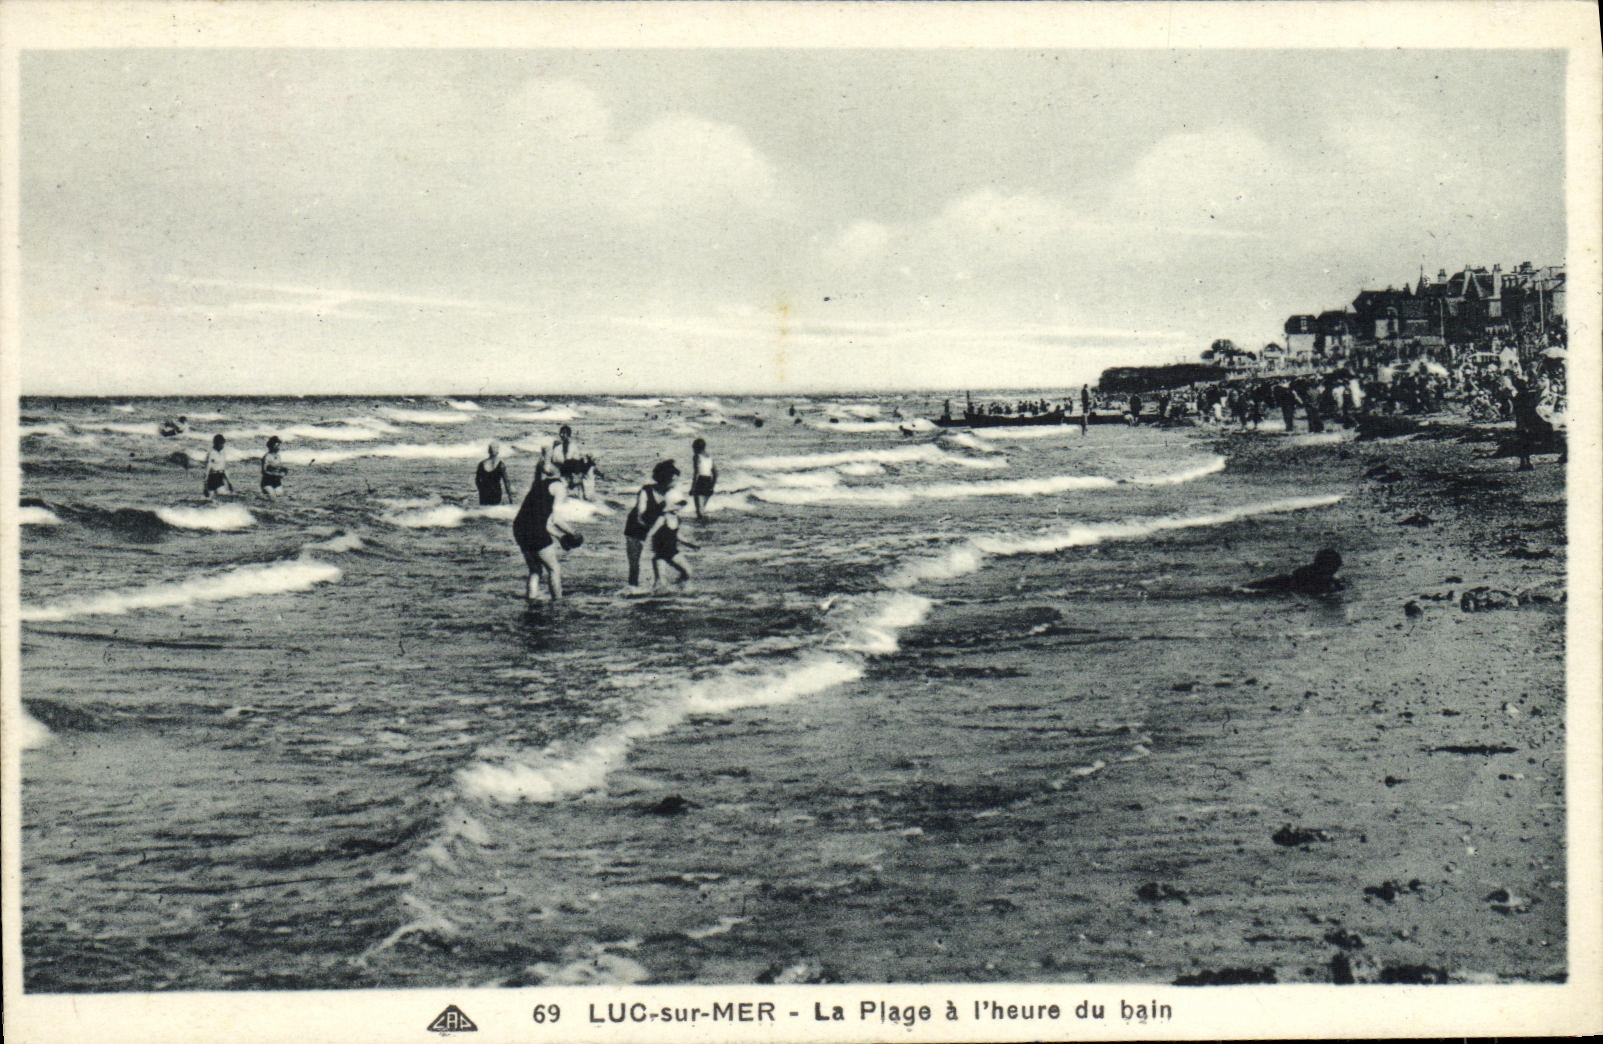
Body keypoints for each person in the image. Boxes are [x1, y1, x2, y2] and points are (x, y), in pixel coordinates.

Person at [513, 452, 577, 602]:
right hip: (534, 530)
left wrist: (560, 536)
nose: (580, 480)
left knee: (535, 570)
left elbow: (546, 523)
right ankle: (558, 604)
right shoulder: (560, 488)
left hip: (519, 528)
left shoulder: (546, 483)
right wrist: (573, 533)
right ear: (573, 475)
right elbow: (556, 519)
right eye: (580, 476)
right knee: (554, 569)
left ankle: (531, 601)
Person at [624, 460, 679, 589]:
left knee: (659, 556)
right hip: (635, 528)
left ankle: (658, 587)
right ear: (666, 478)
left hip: (653, 526)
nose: (676, 484)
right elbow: (640, 514)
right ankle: (633, 590)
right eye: (674, 480)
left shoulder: (669, 494)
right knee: (634, 564)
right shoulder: (646, 490)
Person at [1244, 549, 1345, 595]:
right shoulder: (1315, 576)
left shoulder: (1322, 576)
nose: (1336, 569)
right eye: (1334, 567)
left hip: (1284, 581)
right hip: (1283, 583)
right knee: (1249, 589)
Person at [651, 501, 699, 591]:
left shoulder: (677, 518)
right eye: (677, 505)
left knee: (688, 571)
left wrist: (690, 544)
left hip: (672, 551)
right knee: (660, 582)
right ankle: (652, 599)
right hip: (660, 553)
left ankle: (677, 588)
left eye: (680, 506)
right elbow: (652, 532)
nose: (679, 508)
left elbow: (676, 535)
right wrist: (648, 546)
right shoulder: (662, 518)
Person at [550, 424, 594, 500]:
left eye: (565, 433)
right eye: (561, 433)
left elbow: (576, 460)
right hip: (563, 471)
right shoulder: (557, 448)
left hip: (573, 470)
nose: (562, 435)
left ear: (569, 435)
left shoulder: (573, 447)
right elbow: (554, 461)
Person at [690, 438, 718, 520]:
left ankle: (702, 530)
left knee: (699, 512)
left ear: (696, 448)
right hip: (708, 481)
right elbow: (716, 474)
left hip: (700, 482)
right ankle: (704, 528)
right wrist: (712, 487)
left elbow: (696, 473)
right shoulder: (710, 458)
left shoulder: (696, 457)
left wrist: (692, 487)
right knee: (702, 509)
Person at [202, 434, 233, 499]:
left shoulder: (223, 453)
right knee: (210, 499)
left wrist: (229, 482)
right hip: (212, 477)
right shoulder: (211, 454)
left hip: (220, 477)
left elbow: (224, 468)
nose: (223, 446)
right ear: (216, 443)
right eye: (221, 444)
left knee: (223, 497)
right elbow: (207, 470)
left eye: (223, 444)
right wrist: (205, 486)